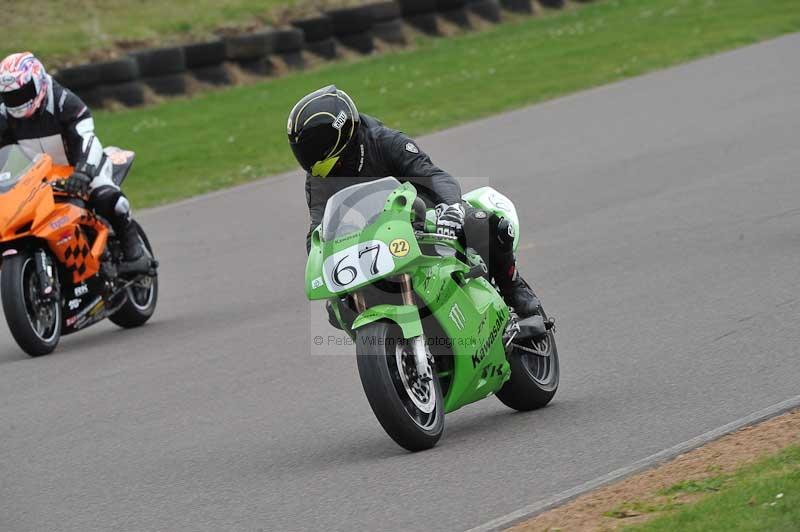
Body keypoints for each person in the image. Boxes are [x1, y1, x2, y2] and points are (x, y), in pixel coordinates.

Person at [288, 84, 542, 320]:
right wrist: (320, 257)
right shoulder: (318, 179)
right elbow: (318, 228)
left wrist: (451, 209)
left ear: (338, 138)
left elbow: (434, 176)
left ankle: (513, 287)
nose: (310, 163)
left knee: (482, 223)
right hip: (372, 244)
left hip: (425, 221)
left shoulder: (384, 142)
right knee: (339, 309)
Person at [0, 52, 148, 273]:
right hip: (41, 177)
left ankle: (133, 250)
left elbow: (87, 137)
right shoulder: (4, 115)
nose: (18, 102)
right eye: (11, 97)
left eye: (23, 93)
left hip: (81, 166)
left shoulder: (62, 101)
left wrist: (83, 172)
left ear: (38, 81)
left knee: (108, 198)